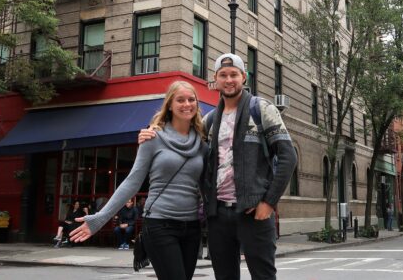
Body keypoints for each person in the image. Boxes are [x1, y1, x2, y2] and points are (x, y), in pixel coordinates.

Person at [141, 53, 297, 280]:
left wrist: (269, 202)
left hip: (254, 213)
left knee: (263, 276)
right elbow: (181, 140)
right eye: (223, 75)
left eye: (234, 74)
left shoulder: (261, 109)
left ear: (244, 77)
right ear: (216, 79)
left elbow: (288, 156)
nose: (229, 79)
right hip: (218, 216)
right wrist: (152, 130)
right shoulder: (211, 120)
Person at [70, 81, 207, 280]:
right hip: (161, 225)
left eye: (191, 99)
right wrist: (101, 217)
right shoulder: (152, 137)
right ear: (169, 104)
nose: (187, 104)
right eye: (180, 100)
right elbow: (132, 181)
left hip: (192, 227)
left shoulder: (202, 143)